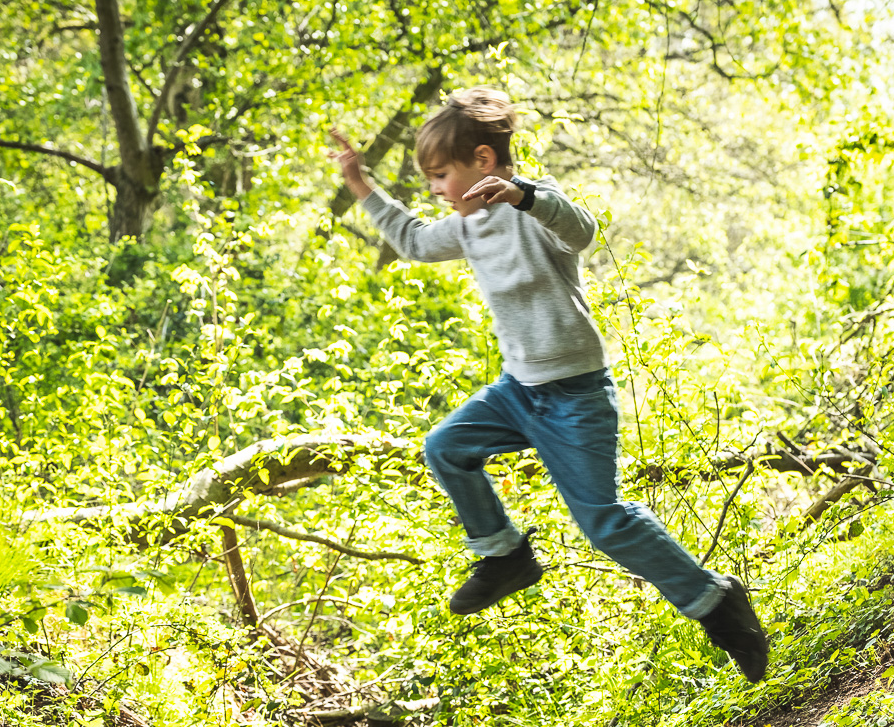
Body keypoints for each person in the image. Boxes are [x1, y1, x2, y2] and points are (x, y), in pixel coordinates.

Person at [329, 87, 770, 682]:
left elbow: (582, 230)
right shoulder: (465, 229)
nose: (434, 190)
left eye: (440, 175)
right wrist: (360, 184)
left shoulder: (532, 209)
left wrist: (526, 197)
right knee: (446, 447)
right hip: (518, 392)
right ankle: (506, 555)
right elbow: (409, 239)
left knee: (606, 522)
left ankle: (716, 602)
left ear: (483, 161)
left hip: (574, 395)